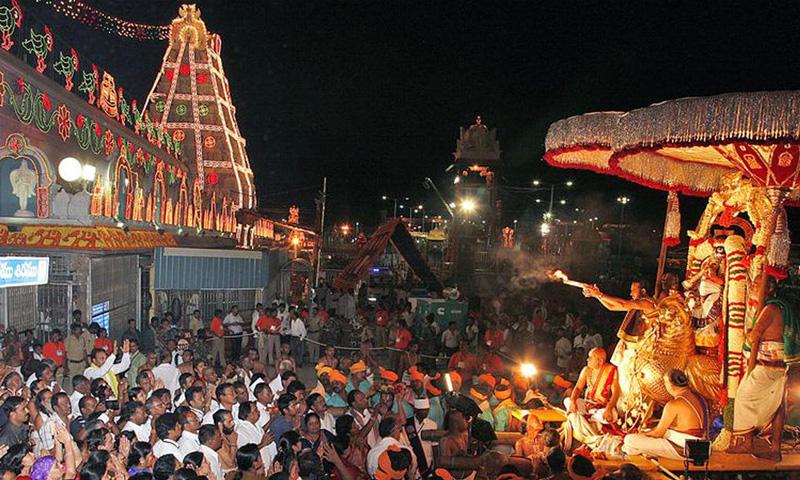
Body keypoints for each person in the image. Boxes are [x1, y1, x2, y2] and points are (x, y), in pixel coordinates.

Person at [727, 277, 798, 461]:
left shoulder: (770, 308)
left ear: (769, 288)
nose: (752, 287)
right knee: (777, 405)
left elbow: (755, 336)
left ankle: (745, 442)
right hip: (779, 367)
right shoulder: (781, 307)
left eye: (756, 284)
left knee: (743, 397)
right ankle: (775, 449)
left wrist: (748, 333)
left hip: (767, 367)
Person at [622, 369, 708, 461]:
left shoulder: (673, 404)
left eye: (665, 383)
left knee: (629, 440)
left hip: (688, 449)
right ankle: (642, 450)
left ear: (671, 386)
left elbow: (658, 433)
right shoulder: (697, 397)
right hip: (702, 447)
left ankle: (635, 450)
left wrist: (640, 434)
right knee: (647, 432)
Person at [563, 347, 620, 448]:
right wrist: (573, 401)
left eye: (590, 357)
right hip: (587, 405)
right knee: (567, 401)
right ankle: (592, 428)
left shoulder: (611, 370)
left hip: (600, 408)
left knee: (613, 415)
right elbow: (578, 387)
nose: (587, 359)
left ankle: (585, 418)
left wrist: (609, 408)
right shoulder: (586, 370)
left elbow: (615, 392)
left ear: (600, 361)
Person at [405, 398, 436, 476]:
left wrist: (435, 465)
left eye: (427, 410)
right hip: (412, 464)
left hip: (427, 463)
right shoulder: (407, 423)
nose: (425, 412)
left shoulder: (432, 424)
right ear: (416, 410)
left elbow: (435, 446)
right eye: (423, 410)